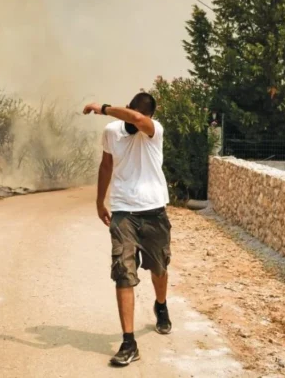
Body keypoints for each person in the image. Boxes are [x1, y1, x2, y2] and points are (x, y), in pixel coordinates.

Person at [82, 93, 172, 367]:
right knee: (123, 272)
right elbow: (106, 165)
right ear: (129, 107)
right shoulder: (112, 131)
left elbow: (136, 119)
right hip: (123, 212)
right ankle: (129, 342)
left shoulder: (153, 131)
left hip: (154, 211)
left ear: (149, 118)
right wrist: (100, 201)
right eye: (134, 112)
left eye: (143, 116)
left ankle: (161, 304)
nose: (137, 120)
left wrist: (103, 108)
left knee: (159, 268)